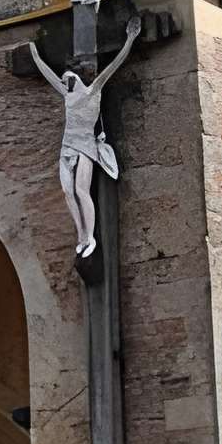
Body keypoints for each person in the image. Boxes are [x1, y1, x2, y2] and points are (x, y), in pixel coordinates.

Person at [29, 13, 141, 259]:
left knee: (81, 190)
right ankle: (80, 235)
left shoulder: (93, 91)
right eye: (64, 81)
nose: (65, 83)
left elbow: (114, 66)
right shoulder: (68, 95)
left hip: (85, 147)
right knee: (67, 192)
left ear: (77, 79)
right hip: (66, 147)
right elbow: (47, 74)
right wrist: (34, 54)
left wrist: (130, 40)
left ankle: (89, 236)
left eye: (68, 80)